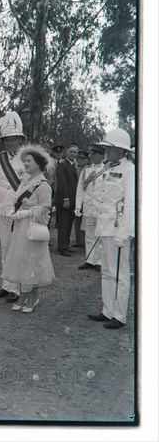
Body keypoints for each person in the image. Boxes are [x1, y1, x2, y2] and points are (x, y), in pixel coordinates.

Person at [87, 129, 135, 329]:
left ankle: (119, 315)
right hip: (104, 227)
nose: (106, 150)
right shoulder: (108, 168)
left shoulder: (130, 170)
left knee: (120, 273)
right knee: (107, 271)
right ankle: (107, 310)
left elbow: (131, 204)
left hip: (118, 230)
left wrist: (125, 233)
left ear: (121, 150)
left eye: (110, 148)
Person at [1, 145, 55, 313]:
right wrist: (12, 211)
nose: (25, 164)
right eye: (24, 161)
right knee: (22, 261)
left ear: (38, 163)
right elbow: (16, 200)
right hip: (20, 228)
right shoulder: (26, 181)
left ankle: (33, 297)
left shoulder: (43, 184)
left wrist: (23, 214)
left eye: (28, 161)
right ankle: (24, 295)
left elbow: (45, 208)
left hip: (33, 228)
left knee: (32, 261)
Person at [0, 111, 28, 303]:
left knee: (18, 248)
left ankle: (18, 287)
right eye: (7, 140)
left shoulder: (28, 157)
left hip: (21, 209)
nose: (10, 143)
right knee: (5, 247)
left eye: (14, 139)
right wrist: (4, 200)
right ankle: (7, 284)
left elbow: (32, 184)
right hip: (2, 208)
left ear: (20, 139)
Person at [75, 145, 105, 271]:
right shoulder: (86, 170)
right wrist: (78, 205)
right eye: (91, 154)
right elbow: (80, 189)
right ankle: (89, 259)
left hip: (101, 207)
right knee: (89, 234)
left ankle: (99, 261)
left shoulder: (107, 170)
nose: (92, 156)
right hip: (88, 207)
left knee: (100, 235)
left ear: (102, 155)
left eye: (95, 154)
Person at [54, 143, 79, 256]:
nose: (73, 154)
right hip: (64, 200)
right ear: (66, 152)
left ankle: (66, 245)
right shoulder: (62, 166)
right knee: (63, 224)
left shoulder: (74, 166)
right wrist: (66, 199)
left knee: (69, 224)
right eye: (71, 151)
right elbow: (62, 184)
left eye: (75, 152)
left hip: (73, 200)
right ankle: (62, 247)